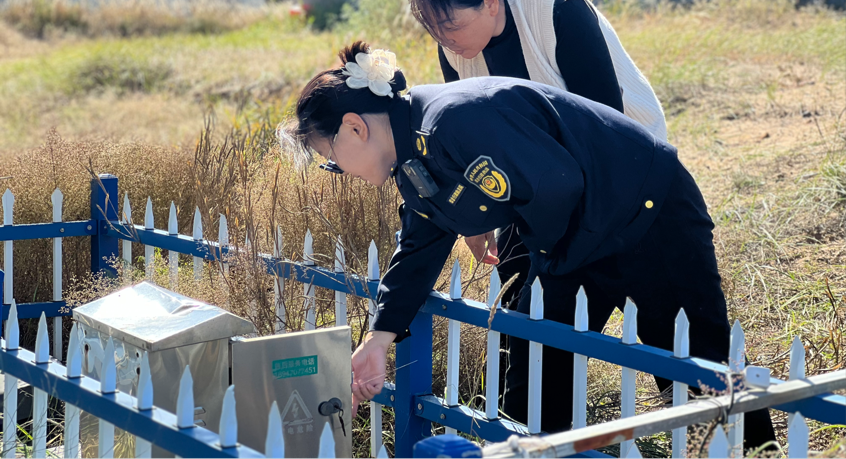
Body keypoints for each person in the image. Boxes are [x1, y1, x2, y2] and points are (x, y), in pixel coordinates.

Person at [280, 41, 775, 447]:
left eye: (330, 158)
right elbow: (417, 252)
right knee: (537, 366)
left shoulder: (454, 119)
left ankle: (756, 452)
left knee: (691, 356)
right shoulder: (412, 161)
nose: (337, 170)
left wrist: (539, 261)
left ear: (354, 127)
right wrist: (378, 341)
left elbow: (556, 185)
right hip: (573, 235)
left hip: (645, 208)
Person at [407, 0, 666, 310]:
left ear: (490, 3)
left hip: (623, 168)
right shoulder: (454, 48)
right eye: (435, 32)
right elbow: (469, 136)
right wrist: (476, 218)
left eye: (452, 27)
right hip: (539, 182)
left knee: (656, 309)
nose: (445, 40)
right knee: (518, 306)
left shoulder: (557, 8)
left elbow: (604, 124)